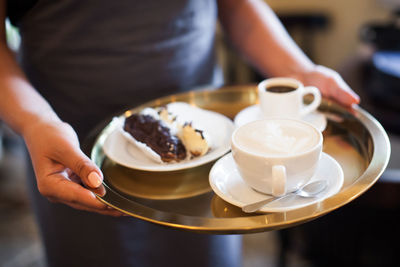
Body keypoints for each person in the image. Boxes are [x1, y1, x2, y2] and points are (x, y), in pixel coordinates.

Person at [0, 0, 360, 266]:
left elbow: (234, 6)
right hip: (73, 148)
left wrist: (298, 72)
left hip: (208, 152)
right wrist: (35, 123)